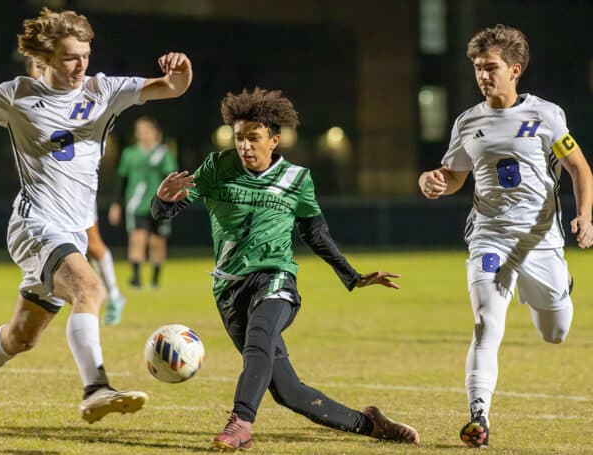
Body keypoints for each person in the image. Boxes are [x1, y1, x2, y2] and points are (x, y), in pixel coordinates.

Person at [0, 7, 192, 423]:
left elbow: (173, 88)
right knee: (89, 290)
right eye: (71, 56)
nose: (80, 65)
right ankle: (96, 388)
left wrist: (181, 69)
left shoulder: (103, 90)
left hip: (68, 233)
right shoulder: (18, 95)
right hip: (35, 225)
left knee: (21, 337)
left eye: (86, 55)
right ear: (47, 57)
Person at [152, 87, 419, 450]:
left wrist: (352, 276)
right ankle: (371, 424)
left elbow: (316, 233)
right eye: (239, 137)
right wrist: (162, 200)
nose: (245, 146)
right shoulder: (217, 167)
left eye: (254, 138)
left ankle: (240, 423)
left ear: (274, 140)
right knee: (287, 391)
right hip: (229, 289)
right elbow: (168, 210)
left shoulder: (297, 179)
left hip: (276, 278)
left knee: (260, 337)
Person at [418, 25, 593, 448]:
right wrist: (435, 179)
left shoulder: (547, 116)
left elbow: (579, 169)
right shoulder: (467, 121)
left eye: (490, 67)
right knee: (486, 323)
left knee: (556, 332)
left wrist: (585, 215)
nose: (482, 75)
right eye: (477, 68)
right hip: (489, 237)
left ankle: (556, 289)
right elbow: (456, 174)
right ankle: (478, 415)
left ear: (514, 69)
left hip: (540, 242)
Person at [26, 56, 126, 327]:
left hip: (74, 189)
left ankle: (113, 295)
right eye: (36, 65)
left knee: (92, 243)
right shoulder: (29, 100)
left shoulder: (76, 92)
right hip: (48, 193)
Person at [108, 116, 176, 292]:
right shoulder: (129, 154)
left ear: (155, 132)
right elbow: (122, 180)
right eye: (139, 130)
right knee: (138, 239)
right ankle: (136, 279)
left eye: (145, 130)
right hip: (136, 204)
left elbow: (171, 178)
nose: (142, 133)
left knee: (157, 242)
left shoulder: (163, 153)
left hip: (159, 205)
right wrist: (116, 204)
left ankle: (155, 278)